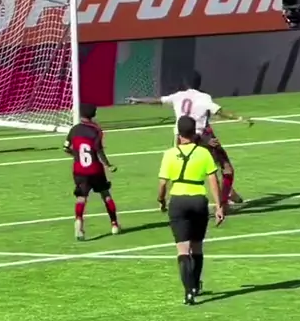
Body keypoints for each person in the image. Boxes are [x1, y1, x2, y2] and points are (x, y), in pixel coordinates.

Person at [128, 71, 253, 210]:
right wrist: (239, 118)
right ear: (200, 83)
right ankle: (223, 201)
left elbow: (158, 100)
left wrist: (138, 100)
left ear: (185, 84)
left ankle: (168, 199)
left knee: (180, 170)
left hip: (180, 138)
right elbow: (219, 111)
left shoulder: (178, 96)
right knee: (225, 168)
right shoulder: (204, 97)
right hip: (201, 137)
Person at [158, 115, 224, 305]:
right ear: (194, 133)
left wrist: (161, 200)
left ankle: (188, 292)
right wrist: (219, 206)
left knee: (182, 249)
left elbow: (162, 183)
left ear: (178, 134)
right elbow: (213, 181)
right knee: (197, 246)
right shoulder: (203, 153)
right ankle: (195, 285)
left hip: (178, 201)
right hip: (198, 201)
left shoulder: (169, 154)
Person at [64, 104, 120, 241]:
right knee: (105, 195)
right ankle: (114, 224)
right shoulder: (96, 130)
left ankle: (79, 222)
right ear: (94, 114)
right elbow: (98, 150)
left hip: (79, 170)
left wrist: (76, 155)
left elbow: (65, 148)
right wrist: (108, 165)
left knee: (81, 198)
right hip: (95, 169)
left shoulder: (74, 129)